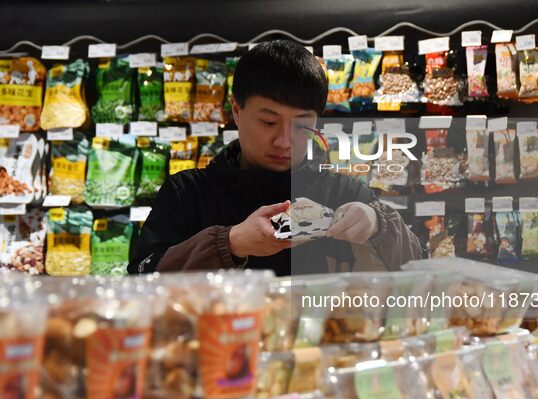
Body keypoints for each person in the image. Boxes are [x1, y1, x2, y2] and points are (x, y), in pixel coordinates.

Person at [128, 40, 421, 276]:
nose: (284, 141)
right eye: (269, 123)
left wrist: (378, 225)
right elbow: (142, 278)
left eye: (302, 126)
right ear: (237, 111)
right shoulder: (188, 193)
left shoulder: (344, 193)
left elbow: (418, 267)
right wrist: (230, 243)